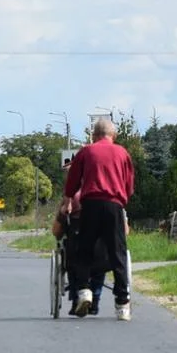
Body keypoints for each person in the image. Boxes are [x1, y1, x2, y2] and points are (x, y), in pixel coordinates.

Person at [62, 118, 134, 320]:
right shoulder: (122, 153)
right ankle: (122, 304)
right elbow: (129, 184)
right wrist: (122, 200)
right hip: (114, 205)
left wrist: (69, 198)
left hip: (91, 205)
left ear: (94, 136)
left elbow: (73, 180)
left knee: (84, 249)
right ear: (114, 135)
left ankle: (84, 290)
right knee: (117, 252)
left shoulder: (86, 151)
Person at [51, 173, 106, 315]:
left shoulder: (71, 199)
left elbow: (56, 232)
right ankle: (95, 301)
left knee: (72, 261)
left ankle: (76, 299)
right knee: (100, 261)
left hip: (76, 247)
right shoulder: (105, 196)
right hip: (100, 251)